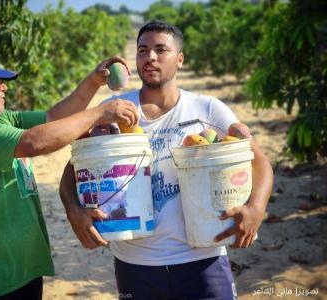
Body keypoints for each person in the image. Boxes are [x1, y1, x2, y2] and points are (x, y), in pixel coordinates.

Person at [59, 21, 273, 300]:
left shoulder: (206, 109)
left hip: (203, 260)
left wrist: (256, 210)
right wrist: (74, 211)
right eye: (143, 50)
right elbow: (72, 169)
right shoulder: (114, 111)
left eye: (161, 50)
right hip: (135, 265)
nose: (150, 57)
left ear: (180, 59)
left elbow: (260, 163)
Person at [0, 50, 139, 300]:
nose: (4, 88)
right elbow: (35, 142)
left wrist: (93, 82)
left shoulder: (3, 120)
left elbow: (53, 118)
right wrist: (99, 113)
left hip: (25, 267)